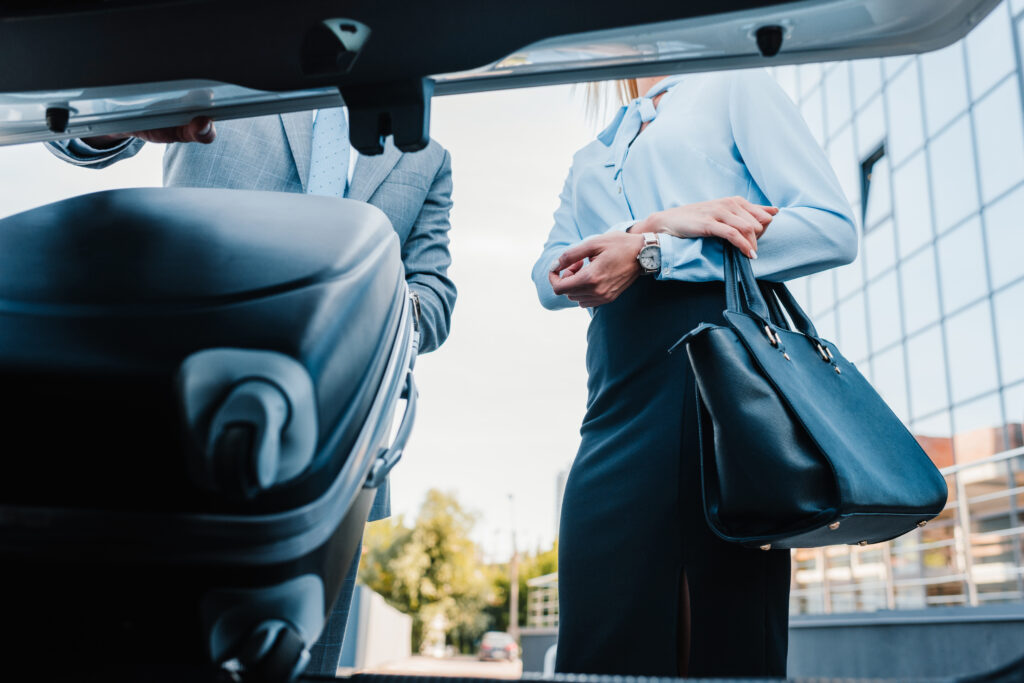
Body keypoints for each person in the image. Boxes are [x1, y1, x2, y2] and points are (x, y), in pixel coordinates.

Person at [48, 110, 456, 675]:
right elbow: (76, 136)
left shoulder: (427, 153)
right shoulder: (229, 77)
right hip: (178, 413)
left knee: (302, 664)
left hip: (338, 454)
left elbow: (434, 295)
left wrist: (377, 306)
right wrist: (118, 123)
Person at [532, 71, 856, 677]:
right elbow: (548, 279)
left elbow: (832, 228)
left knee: (718, 628)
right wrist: (651, 226)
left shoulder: (734, 86)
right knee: (601, 630)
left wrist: (658, 251)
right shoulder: (595, 151)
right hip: (615, 393)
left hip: (716, 382)